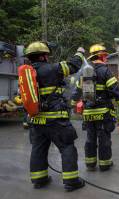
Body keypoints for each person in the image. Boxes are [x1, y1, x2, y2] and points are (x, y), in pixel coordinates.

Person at [24, 41, 85, 191]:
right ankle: (71, 181)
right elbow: (74, 65)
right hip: (56, 119)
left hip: (36, 121)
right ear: (44, 56)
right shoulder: (51, 69)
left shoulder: (28, 74)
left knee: (38, 148)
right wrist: (80, 53)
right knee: (67, 146)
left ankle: (39, 179)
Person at [71, 44, 119, 171]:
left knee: (90, 139)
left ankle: (90, 164)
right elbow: (115, 91)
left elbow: (76, 92)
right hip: (103, 113)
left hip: (89, 113)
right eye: (105, 56)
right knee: (104, 140)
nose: (106, 58)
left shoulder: (85, 73)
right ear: (101, 56)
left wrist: (73, 105)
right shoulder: (105, 71)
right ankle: (104, 164)